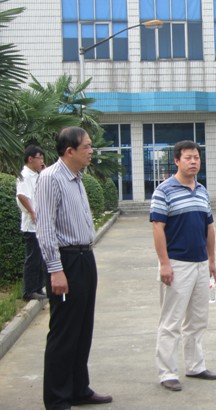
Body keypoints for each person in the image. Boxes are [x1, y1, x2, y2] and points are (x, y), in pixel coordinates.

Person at [35, 127, 113, 409]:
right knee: (64, 332)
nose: (91, 151)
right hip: (66, 262)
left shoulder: (77, 178)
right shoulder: (50, 179)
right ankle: (57, 398)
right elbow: (44, 228)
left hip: (84, 258)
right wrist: (56, 269)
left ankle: (79, 389)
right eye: (87, 146)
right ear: (70, 151)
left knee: (82, 329)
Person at [150, 140, 216, 392]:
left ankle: (195, 366)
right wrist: (164, 263)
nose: (193, 162)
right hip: (177, 264)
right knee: (171, 321)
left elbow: (209, 227)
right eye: (188, 157)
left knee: (198, 319)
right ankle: (167, 373)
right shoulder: (164, 191)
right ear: (177, 161)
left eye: (196, 157)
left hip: (201, 263)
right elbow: (158, 228)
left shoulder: (202, 191)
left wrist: (211, 260)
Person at [16, 145, 48, 301]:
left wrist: (44, 172)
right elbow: (22, 195)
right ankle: (29, 291)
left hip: (40, 225)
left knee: (41, 258)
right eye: (39, 158)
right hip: (31, 225)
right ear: (30, 159)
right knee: (33, 259)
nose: (41, 161)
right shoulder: (24, 176)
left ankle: (38, 287)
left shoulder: (36, 175)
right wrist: (32, 211)